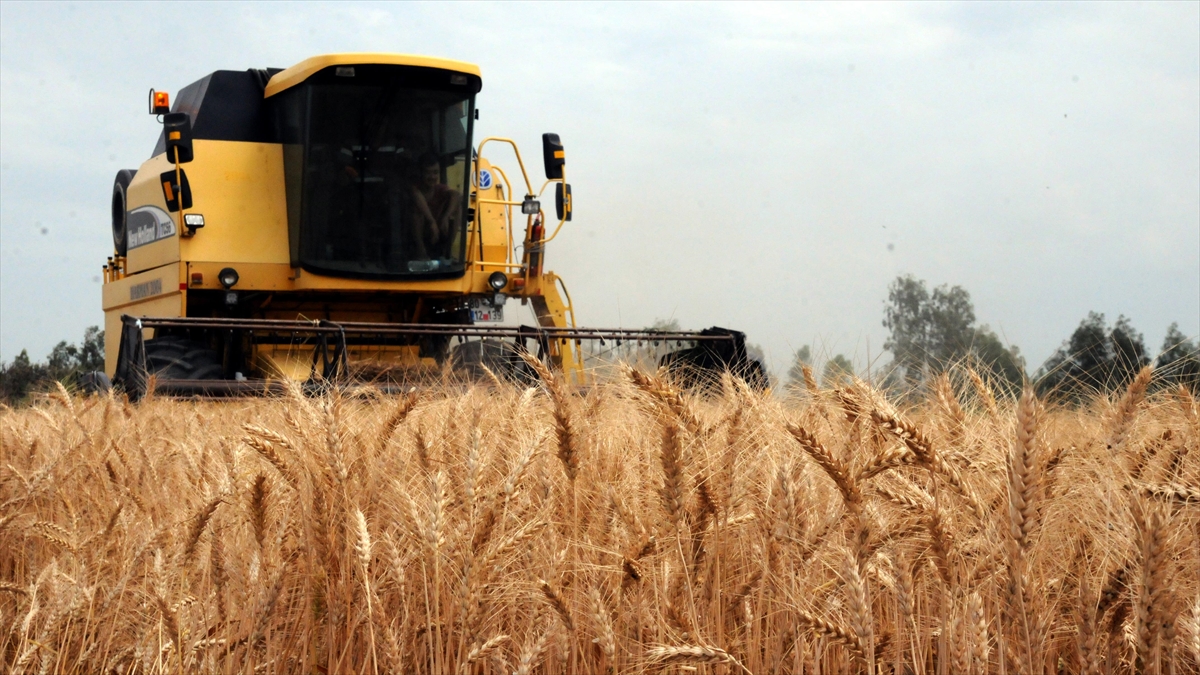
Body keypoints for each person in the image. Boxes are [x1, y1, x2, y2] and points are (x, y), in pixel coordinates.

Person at [409, 153, 461, 260]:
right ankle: (422, 252)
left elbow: (456, 195)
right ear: (421, 173)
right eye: (428, 173)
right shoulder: (414, 188)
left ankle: (447, 251)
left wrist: (446, 217)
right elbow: (416, 195)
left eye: (435, 173)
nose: (432, 177)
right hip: (416, 235)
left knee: (457, 209)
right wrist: (431, 222)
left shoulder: (440, 189)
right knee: (417, 212)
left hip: (437, 232)